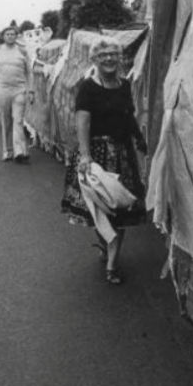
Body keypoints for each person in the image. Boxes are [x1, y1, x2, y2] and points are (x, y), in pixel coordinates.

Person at [60, 37, 147, 285]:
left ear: (119, 58)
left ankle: (112, 264)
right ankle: (107, 243)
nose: (109, 58)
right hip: (96, 155)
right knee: (100, 209)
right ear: (95, 60)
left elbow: (129, 115)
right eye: (103, 55)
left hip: (123, 155)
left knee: (120, 208)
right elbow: (82, 123)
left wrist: (139, 139)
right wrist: (85, 155)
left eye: (113, 54)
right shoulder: (88, 88)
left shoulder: (124, 85)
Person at [0, 27, 32, 161]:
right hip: (3, 90)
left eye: (12, 34)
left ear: (16, 36)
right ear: (3, 36)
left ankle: (19, 152)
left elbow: (29, 72)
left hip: (19, 89)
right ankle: (7, 150)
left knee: (18, 120)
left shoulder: (22, 51)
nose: (10, 36)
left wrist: (30, 90)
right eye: (7, 34)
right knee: (6, 121)